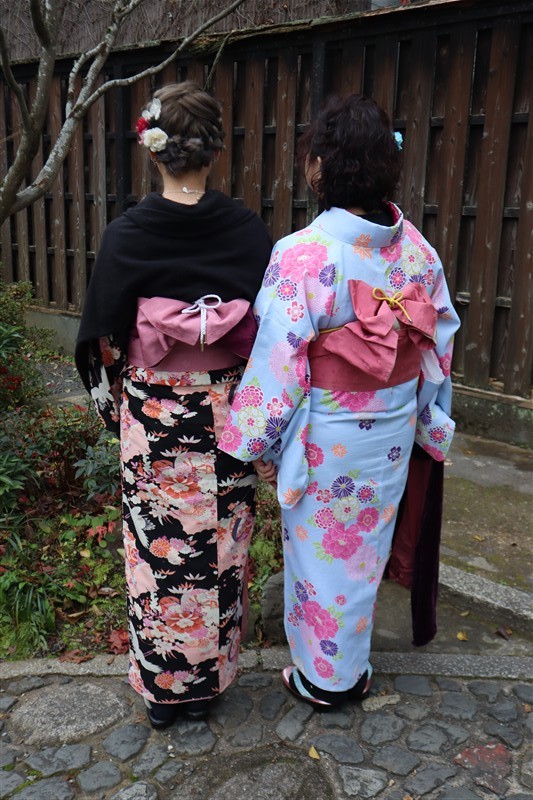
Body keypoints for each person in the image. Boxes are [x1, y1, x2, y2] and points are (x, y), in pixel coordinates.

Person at [219, 94, 460, 708]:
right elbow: (439, 349)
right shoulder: (419, 253)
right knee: (363, 552)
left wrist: (256, 442)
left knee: (325, 557)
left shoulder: (302, 253)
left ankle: (326, 679)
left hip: (328, 435)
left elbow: (278, 361)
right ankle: (348, 667)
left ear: (319, 166)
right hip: (392, 427)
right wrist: (426, 414)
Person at [75, 81, 272, 727]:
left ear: (152, 148)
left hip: (154, 415)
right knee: (221, 549)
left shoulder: (128, 234)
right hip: (229, 412)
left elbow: (102, 341)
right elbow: (273, 334)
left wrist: (121, 409)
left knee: (158, 549)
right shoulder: (246, 231)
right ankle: (209, 684)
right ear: (215, 150)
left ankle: (164, 691)